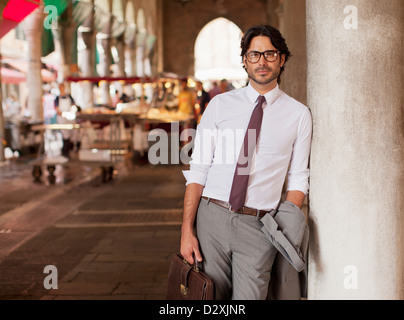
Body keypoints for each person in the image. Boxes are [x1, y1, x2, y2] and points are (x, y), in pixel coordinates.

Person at [180, 25, 312, 300]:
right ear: (244, 60)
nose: (261, 61)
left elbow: (299, 178)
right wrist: (186, 230)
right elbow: (199, 169)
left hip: (260, 226)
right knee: (210, 299)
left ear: (282, 58)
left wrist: (282, 229)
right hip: (211, 219)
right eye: (254, 55)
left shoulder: (298, 115)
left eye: (269, 54)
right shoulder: (219, 105)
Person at [54, 83, 75, 158]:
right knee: (65, 134)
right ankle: (65, 151)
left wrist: (71, 113)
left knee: (71, 134)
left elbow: (73, 105)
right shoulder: (57, 98)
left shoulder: (69, 96)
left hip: (70, 118)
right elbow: (57, 109)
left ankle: (69, 149)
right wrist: (63, 114)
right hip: (62, 118)